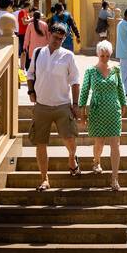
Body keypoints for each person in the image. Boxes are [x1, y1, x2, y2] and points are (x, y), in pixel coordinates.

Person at [28, 23, 82, 188]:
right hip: (41, 105)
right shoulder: (38, 53)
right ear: (48, 34)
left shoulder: (68, 56)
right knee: (41, 143)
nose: (57, 41)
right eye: (55, 37)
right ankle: (44, 179)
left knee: (70, 138)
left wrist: (75, 104)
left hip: (62, 105)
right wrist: (31, 91)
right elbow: (30, 73)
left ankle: (72, 157)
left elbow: (74, 81)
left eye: (61, 39)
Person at [79, 39, 125, 190]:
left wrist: (123, 104)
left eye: (107, 55)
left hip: (113, 109)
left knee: (115, 144)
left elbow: (120, 89)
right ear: (98, 55)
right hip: (97, 110)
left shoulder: (116, 70)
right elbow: (84, 91)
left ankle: (114, 179)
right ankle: (96, 161)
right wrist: (82, 111)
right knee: (99, 142)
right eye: (102, 55)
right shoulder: (91, 71)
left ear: (110, 54)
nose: (104, 58)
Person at [16, 0, 32, 66]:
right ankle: (23, 66)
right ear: (28, 6)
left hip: (26, 33)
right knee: (23, 50)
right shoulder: (22, 12)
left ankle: (25, 65)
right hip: (22, 33)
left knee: (26, 50)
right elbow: (24, 22)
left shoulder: (26, 13)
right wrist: (32, 19)